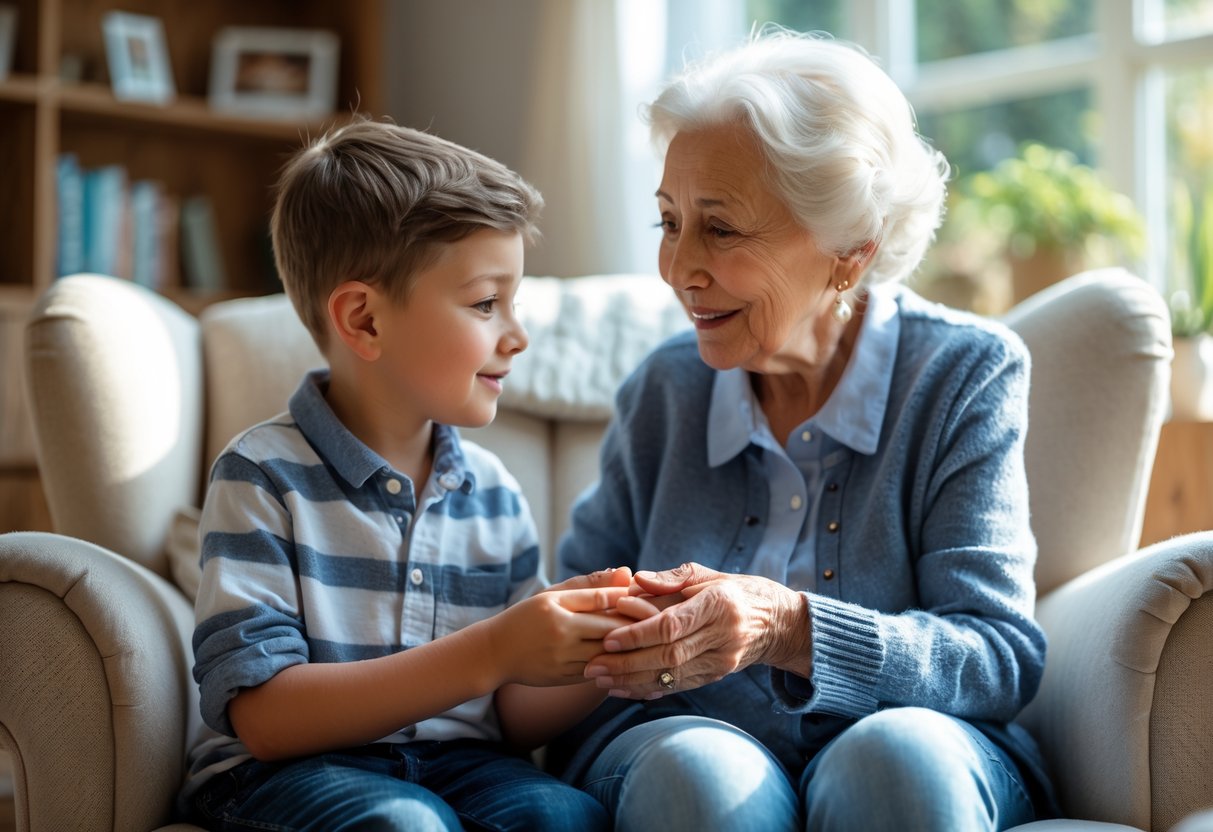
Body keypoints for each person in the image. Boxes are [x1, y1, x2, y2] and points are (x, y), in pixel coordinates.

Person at [548, 29, 1057, 832]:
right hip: (678, 745)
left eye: (719, 228)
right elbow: (561, 638)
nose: (678, 268)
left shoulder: (962, 373)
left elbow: (996, 657)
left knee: (893, 758)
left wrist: (788, 629)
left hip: (915, 742)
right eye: (668, 222)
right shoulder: (663, 391)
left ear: (849, 252)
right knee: (696, 771)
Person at [179, 118, 632, 831]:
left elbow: (513, 717)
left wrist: (604, 650)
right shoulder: (262, 476)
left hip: (462, 765)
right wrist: (492, 650)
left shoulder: (493, 493)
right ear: (364, 320)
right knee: (406, 824)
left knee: (564, 817)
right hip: (286, 772)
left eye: (513, 303)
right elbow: (265, 720)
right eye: (486, 303)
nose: (517, 336)